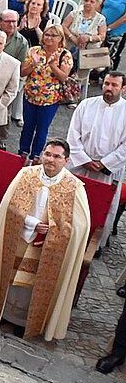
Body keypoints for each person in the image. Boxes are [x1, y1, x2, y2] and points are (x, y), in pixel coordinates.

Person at [0, 139, 91, 341]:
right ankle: (2, 311)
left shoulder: (74, 187)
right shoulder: (26, 175)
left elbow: (80, 226)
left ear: (66, 161)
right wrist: (32, 223)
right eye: (47, 154)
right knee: (11, 277)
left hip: (48, 247)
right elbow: (9, 206)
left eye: (57, 156)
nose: (50, 160)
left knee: (31, 285)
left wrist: (53, 230)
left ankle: (23, 322)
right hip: (19, 235)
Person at [67, 72, 126, 251]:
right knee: (72, 202)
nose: (109, 88)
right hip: (80, 165)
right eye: (106, 83)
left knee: (101, 207)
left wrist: (104, 163)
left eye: (114, 85)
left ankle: (94, 244)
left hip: (108, 170)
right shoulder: (86, 105)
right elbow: (73, 134)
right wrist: (84, 159)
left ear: (123, 88)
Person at [19, 26, 74, 162]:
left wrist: (53, 66)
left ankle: (36, 156)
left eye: (53, 36)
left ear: (60, 38)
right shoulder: (34, 51)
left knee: (42, 129)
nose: (49, 38)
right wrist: (33, 64)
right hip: (30, 97)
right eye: (47, 34)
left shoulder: (64, 55)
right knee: (27, 126)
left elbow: (63, 77)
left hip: (50, 100)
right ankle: (22, 153)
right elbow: (22, 72)